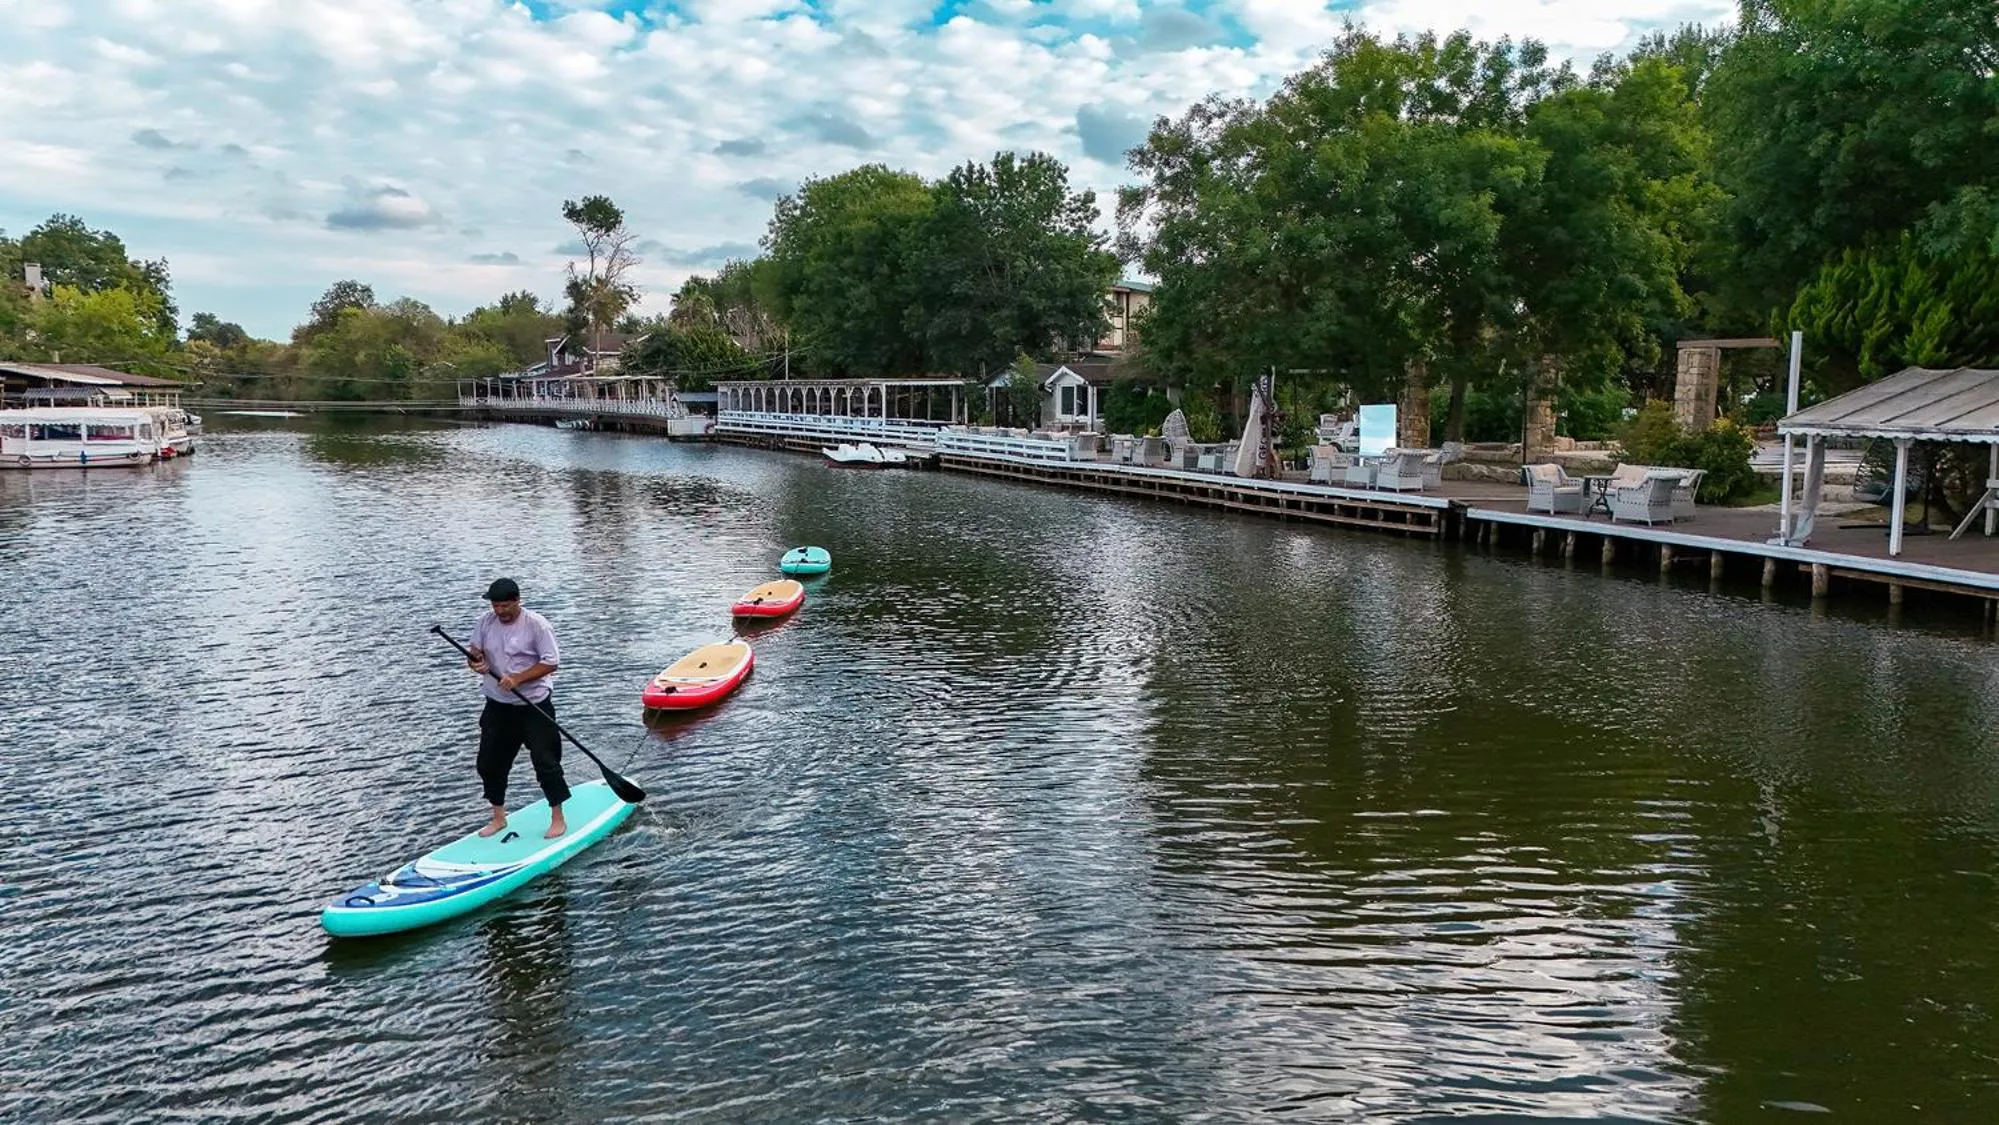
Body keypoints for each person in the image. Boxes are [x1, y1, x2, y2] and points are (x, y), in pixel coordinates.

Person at [465, 577, 570, 839]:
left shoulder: (537, 625)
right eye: (495, 606)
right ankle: (499, 817)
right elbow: (474, 652)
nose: (499, 611)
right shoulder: (485, 622)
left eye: (504, 606)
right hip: (497, 705)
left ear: (517, 601)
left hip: (533, 705)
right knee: (489, 763)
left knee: (546, 762)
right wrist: (475, 663)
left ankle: (558, 817)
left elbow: (551, 662)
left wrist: (519, 678)